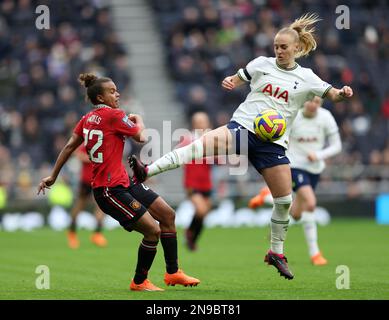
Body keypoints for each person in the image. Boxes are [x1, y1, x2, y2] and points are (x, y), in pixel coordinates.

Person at [129, 13, 353, 280]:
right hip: (244, 127)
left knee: (284, 201)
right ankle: (147, 171)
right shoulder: (261, 64)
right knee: (199, 145)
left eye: (284, 47)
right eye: (276, 47)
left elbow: (333, 95)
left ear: (296, 48)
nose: (279, 51)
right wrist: (231, 81)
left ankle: (276, 253)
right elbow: (238, 77)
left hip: (273, 143)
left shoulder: (307, 78)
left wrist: (343, 94)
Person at [38, 73, 200, 292]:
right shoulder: (114, 115)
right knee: (152, 231)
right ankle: (139, 281)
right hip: (109, 190)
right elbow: (141, 137)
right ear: (101, 98)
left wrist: (53, 176)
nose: (117, 94)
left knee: (168, 215)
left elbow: (69, 147)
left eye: (116, 90)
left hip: (125, 182)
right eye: (112, 91)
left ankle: (173, 272)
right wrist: (139, 121)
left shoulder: (87, 119)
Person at [249, 96, 341, 266]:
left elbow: (337, 146)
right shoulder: (294, 115)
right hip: (295, 166)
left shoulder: (326, 117)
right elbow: (278, 136)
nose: (313, 105)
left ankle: (267, 197)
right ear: (303, 101)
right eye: (310, 101)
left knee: (297, 214)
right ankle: (315, 254)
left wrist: (319, 155)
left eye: (317, 102)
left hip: (314, 169)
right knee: (311, 204)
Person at [181, 112, 213, 251]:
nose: (201, 124)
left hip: (206, 183)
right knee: (200, 210)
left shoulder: (213, 139)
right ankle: (190, 235)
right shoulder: (188, 139)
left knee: (204, 213)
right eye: (199, 121)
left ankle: (191, 237)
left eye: (203, 121)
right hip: (192, 183)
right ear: (194, 124)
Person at [67, 144, 107, 249]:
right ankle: (72, 233)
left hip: (99, 181)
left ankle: (97, 234)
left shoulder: (103, 142)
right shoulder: (89, 142)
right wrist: (94, 158)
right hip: (86, 181)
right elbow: (78, 154)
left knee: (101, 207)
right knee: (79, 206)